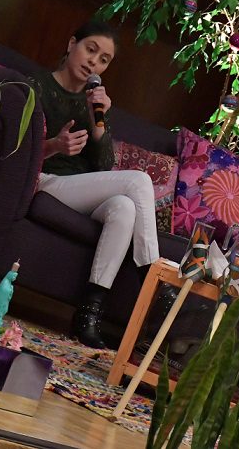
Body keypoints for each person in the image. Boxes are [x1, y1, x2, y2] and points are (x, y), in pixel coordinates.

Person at [31, 21, 160, 348]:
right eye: (90, 50)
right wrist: (54, 145)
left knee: (124, 207)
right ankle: (154, 282)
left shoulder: (94, 103)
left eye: (104, 60)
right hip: (46, 181)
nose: (94, 62)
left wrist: (97, 123)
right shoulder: (37, 86)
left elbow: (103, 166)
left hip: (78, 189)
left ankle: (87, 316)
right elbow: (19, 150)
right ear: (71, 43)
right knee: (139, 181)